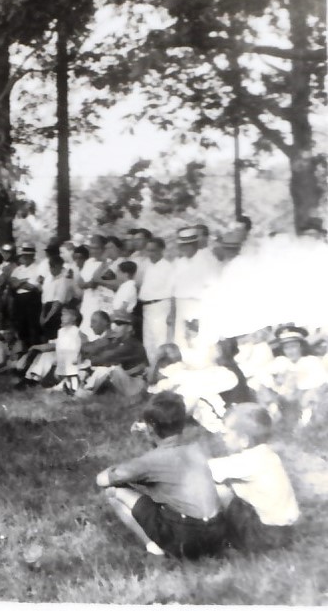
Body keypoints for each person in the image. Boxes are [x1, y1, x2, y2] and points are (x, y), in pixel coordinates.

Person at [95, 392, 226, 559]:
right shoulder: (198, 449)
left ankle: (154, 549)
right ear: (182, 423)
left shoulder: (150, 461)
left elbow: (101, 480)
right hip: (217, 535)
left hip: (185, 540)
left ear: (150, 429)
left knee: (113, 491)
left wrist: (114, 468)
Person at [207, 403, 299, 552]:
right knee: (228, 486)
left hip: (265, 536)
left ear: (244, 440)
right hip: (285, 531)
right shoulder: (266, 455)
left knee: (218, 489)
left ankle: (215, 539)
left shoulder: (248, 462)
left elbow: (207, 469)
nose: (222, 437)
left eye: (226, 433)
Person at [171, 226, 222, 365]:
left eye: (188, 245)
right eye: (182, 245)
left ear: (194, 244)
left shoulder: (208, 260)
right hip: (181, 306)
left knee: (201, 342)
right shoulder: (179, 263)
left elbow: (214, 287)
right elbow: (174, 289)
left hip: (200, 306)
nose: (185, 248)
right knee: (181, 342)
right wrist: (173, 312)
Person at [137, 236, 174, 367]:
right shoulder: (147, 266)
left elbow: (172, 292)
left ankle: (163, 373)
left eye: (153, 251)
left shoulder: (167, 267)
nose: (150, 254)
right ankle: (153, 374)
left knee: (161, 342)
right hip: (147, 308)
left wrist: (171, 313)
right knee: (149, 344)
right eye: (148, 251)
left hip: (161, 307)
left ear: (161, 250)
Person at [9, 244, 43, 348]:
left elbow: (34, 287)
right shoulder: (18, 269)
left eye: (28, 256)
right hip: (18, 300)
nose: (25, 258)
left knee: (32, 326)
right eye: (24, 256)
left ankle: (33, 349)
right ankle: (22, 349)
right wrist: (23, 282)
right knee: (20, 326)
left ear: (33, 256)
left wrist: (20, 282)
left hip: (31, 300)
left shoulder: (38, 268)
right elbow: (12, 283)